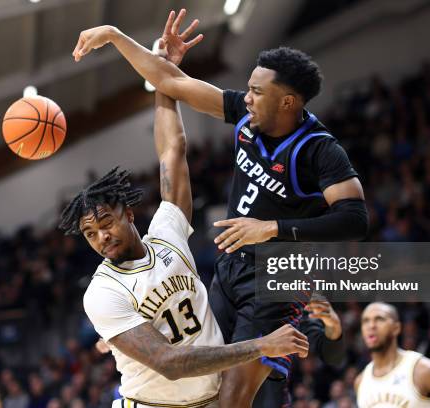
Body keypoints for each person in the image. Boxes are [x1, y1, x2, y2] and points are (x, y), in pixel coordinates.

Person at [71, 10, 355, 406]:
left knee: (235, 399)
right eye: (249, 88)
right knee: (214, 370)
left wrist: (272, 228)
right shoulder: (246, 115)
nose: (247, 95)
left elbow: (354, 219)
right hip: (230, 268)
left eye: (257, 90)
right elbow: (170, 87)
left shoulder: (320, 151)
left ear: (287, 100)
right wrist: (121, 39)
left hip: (277, 276)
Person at [355, 302, 430, 408]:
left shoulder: (424, 370)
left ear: (396, 328)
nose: (371, 326)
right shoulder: (360, 382)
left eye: (379, 319)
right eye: (365, 321)